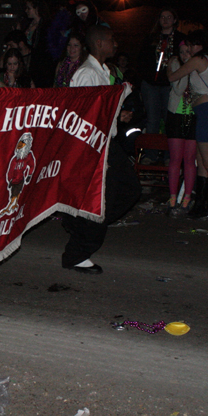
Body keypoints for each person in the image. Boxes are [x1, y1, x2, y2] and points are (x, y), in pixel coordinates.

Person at [61, 25, 140, 274]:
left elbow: (101, 109)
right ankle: (77, 251)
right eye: (110, 39)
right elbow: (83, 114)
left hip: (107, 143)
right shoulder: (87, 74)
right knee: (103, 201)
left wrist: (117, 115)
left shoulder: (103, 71)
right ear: (98, 44)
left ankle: (80, 222)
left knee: (128, 190)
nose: (114, 44)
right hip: (95, 147)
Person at [166, 29, 208, 219]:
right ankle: (201, 204)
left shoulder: (199, 59)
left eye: (192, 45)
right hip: (207, 113)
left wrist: (170, 65)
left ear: (201, 45)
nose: (190, 49)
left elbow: (173, 77)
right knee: (202, 162)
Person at [136, 8, 186, 165]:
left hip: (169, 85)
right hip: (151, 84)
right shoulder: (151, 37)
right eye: (162, 17)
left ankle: (168, 155)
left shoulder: (180, 39)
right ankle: (150, 154)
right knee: (152, 120)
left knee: (169, 120)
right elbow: (142, 59)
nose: (165, 20)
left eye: (169, 17)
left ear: (174, 20)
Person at [165, 40, 197, 215]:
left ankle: (187, 198)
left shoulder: (199, 66)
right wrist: (185, 69)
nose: (185, 55)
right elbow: (178, 89)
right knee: (175, 159)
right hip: (176, 115)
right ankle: (172, 198)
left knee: (189, 159)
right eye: (182, 52)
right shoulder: (176, 65)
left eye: (188, 52)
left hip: (193, 115)